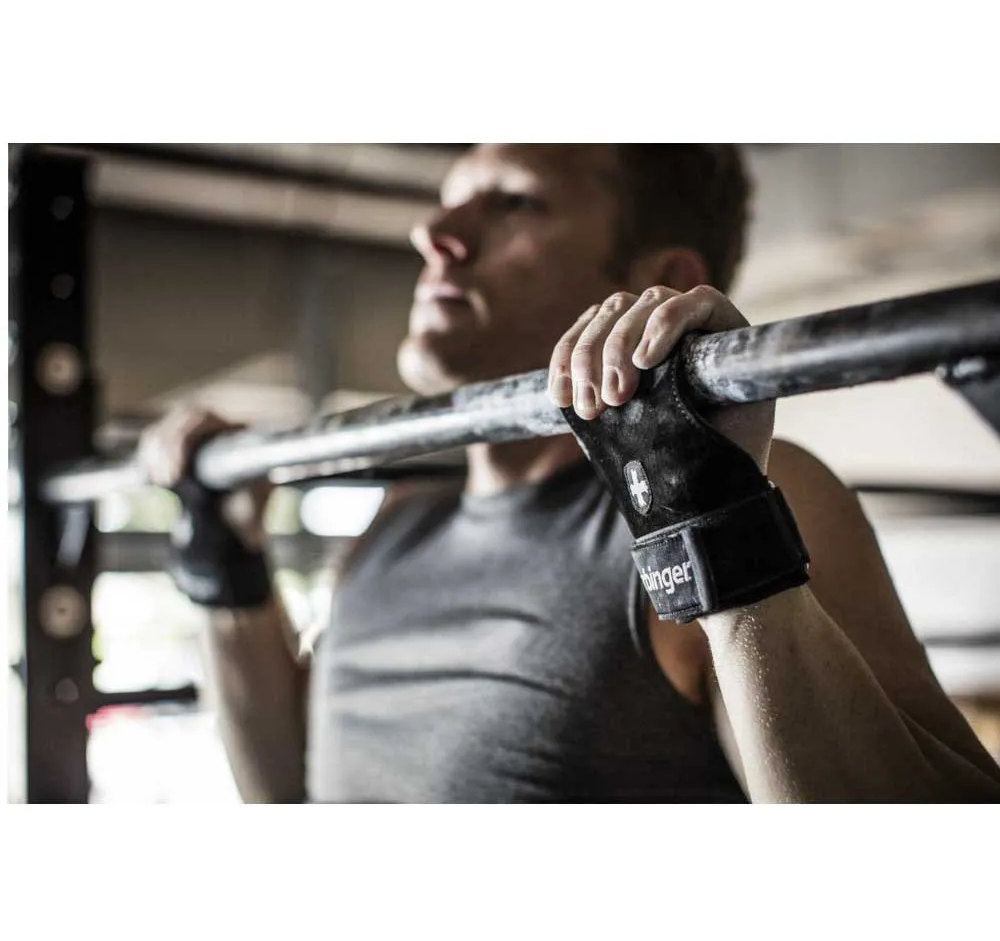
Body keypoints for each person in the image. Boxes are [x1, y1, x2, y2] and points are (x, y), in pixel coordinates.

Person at [139, 144, 1000, 803]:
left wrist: (712, 525)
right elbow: (291, 795)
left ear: (661, 278)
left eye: (515, 201)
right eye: (449, 201)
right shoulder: (396, 525)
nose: (434, 234)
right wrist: (227, 577)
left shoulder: (762, 485)